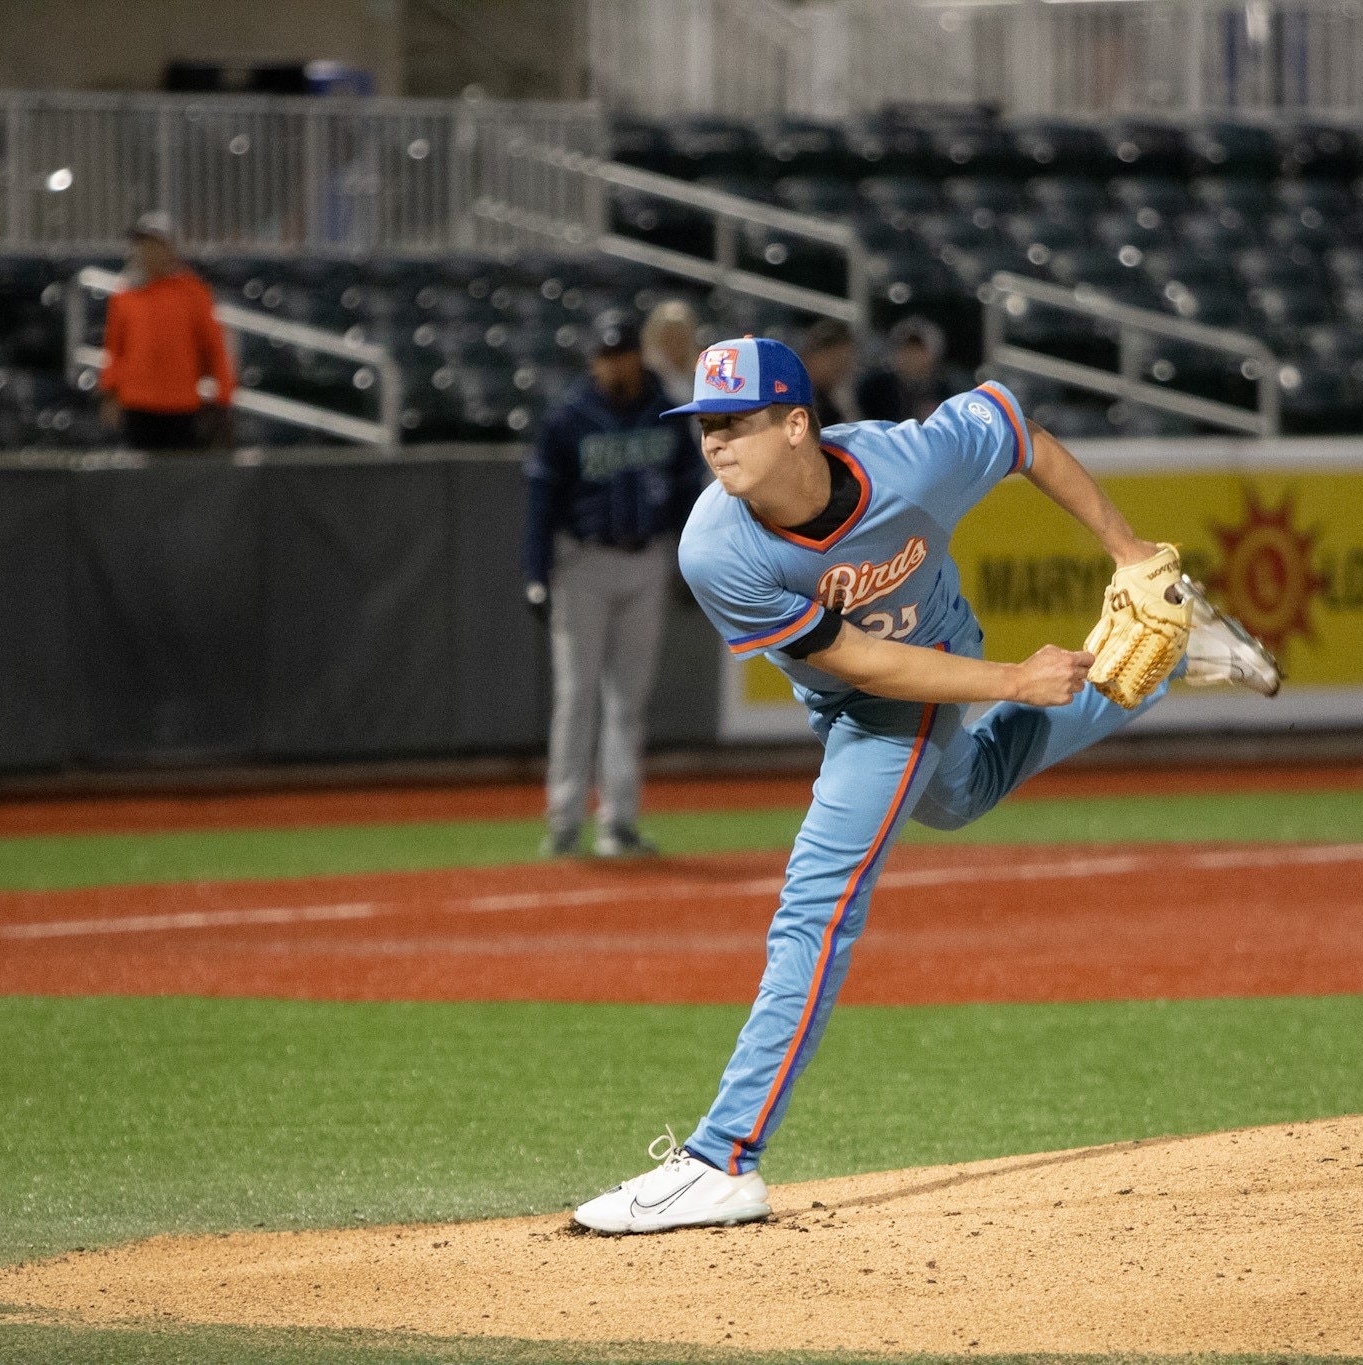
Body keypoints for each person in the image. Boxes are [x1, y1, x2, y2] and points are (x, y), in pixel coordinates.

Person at [571, 338, 1278, 1234]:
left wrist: (1131, 552)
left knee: (816, 901)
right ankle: (1172, 653)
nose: (714, 442)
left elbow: (1022, 432)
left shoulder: (911, 458)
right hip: (857, 683)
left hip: (918, 676)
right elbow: (852, 657)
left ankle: (724, 1157)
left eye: (735, 422)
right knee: (959, 794)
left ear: (798, 425)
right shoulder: (713, 546)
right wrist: (1020, 682)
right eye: (704, 424)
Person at [524, 314, 704, 859]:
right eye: (604, 356)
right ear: (593, 361)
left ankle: (619, 821)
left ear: (635, 356)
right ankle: (564, 820)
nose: (612, 363)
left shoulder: (665, 412)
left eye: (620, 353)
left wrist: (689, 563)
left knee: (628, 698)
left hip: (645, 559)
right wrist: (535, 573)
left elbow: (684, 492)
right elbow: (541, 502)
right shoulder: (569, 418)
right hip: (583, 564)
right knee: (577, 695)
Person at [97, 211, 235, 452]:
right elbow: (114, 350)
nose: (146, 251)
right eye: (142, 244)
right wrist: (110, 394)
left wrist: (223, 399)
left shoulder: (194, 294)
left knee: (178, 481)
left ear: (171, 248)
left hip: (181, 405)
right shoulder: (125, 295)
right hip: (137, 404)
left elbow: (214, 349)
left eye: (154, 244)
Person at [854, 315, 959, 425]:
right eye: (906, 349)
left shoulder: (945, 390)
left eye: (918, 350)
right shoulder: (874, 387)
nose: (911, 356)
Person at [797, 317, 861, 427]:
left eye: (846, 363)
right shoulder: (793, 394)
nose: (842, 370)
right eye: (836, 361)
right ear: (813, 355)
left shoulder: (829, 401)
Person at [641, 298, 702, 405]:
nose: (675, 342)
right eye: (669, 335)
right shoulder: (647, 373)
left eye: (680, 335)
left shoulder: (701, 369)